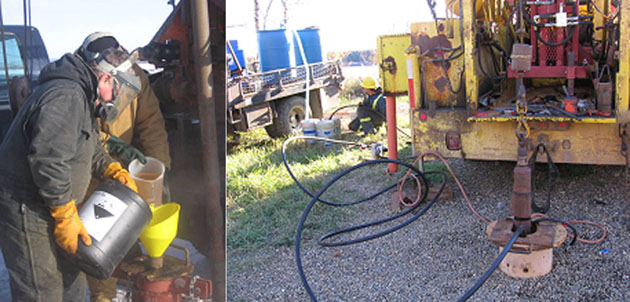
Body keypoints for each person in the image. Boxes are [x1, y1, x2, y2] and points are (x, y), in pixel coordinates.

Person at [0, 38, 141, 301]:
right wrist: (64, 213)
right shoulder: (66, 95)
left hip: (53, 206)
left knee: (72, 287)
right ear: (106, 80)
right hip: (28, 210)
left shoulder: (83, 94)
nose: (118, 99)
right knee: (43, 291)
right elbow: (48, 160)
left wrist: (111, 168)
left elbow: (88, 144)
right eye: (119, 90)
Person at [76, 32, 172, 302]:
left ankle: (126, 290)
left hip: (123, 172)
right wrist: (114, 146)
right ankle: (104, 296)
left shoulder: (134, 75)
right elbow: (85, 134)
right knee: (97, 242)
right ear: (100, 74)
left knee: (127, 236)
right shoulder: (78, 83)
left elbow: (151, 124)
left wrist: (162, 169)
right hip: (88, 173)